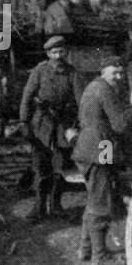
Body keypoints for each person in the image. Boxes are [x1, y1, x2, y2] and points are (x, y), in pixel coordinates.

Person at [73, 56, 132, 265]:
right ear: (104, 72)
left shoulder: (93, 87)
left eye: (121, 73)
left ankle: (85, 249)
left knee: (95, 197)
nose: (119, 77)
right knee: (101, 201)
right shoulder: (105, 90)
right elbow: (119, 124)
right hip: (99, 149)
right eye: (114, 73)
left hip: (92, 146)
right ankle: (101, 257)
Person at [19, 36, 84, 221]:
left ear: (66, 52)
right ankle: (38, 207)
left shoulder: (73, 73)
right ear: (48, 54)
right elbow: (27, 96)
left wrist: (78, 126)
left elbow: (82, 102)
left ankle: (56, 206)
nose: (58, 56)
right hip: (42, 124)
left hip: (63, 125)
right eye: (54, 52)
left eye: (61, 51)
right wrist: (24, 122)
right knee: (40, 167)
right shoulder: (39, 71)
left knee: (61, 168)